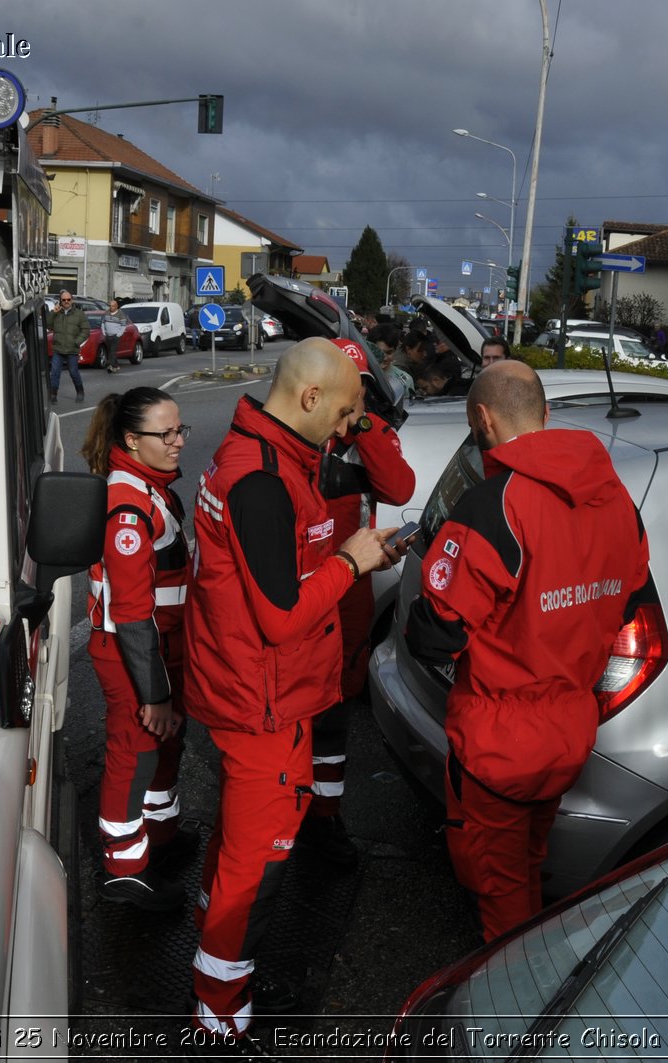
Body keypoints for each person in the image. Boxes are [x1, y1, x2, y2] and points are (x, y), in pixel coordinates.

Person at [183, 338, 400, 1048]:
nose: (347, 430)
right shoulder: (260, 478)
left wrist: (346, 558)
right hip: (261, 703)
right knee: (258, 866)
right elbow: (281, 616)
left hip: (261, 695)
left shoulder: (267, 458)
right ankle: (220, 1014)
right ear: (309, 398)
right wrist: (350, 558)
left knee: (238, 851)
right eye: (343, 412)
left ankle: (221, 975)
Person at [404, 360, 650, 942]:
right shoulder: (614, 497)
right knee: (530, 862)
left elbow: (435, 632)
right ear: (545, 414)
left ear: (481, 419)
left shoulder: (495, 505)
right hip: (569, 728)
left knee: (499, 891)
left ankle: (508, 1017)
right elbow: (628, 598)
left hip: (497, 741)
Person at [300, 338, 416, 868]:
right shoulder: (297, 436)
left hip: (348, 593)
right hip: (304, 587)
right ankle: (290, 812)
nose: (347, 403)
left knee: (337, 707)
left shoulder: (367, 435)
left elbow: (398, 486)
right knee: (297, 706)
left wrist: (365, 424)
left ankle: (324, 819)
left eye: (358, 389)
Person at [81, 388, 197, 911]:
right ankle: (124, 870)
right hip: (133, 654)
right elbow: (130, 613)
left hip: (160, 646)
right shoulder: (127, 505)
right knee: (135, 753)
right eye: (165, 434)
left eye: (180, 431)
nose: (177, 443)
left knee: (166, 743)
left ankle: (160, 834)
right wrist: (154, 693)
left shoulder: (152, 488)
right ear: (132, 440)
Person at [46, 289, 87, 404]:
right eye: (64, 300)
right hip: (58, 349)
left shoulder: (79, 314)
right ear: (60, 301)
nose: (66, 302)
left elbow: (85, 330)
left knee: (73, 372)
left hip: (72, 349)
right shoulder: (56, 313)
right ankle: (53, 395)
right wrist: (53, 312)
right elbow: (48, 325)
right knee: (54, 373)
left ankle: (80, 392)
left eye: (68, 299)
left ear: (72, 300)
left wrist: (77, 342)